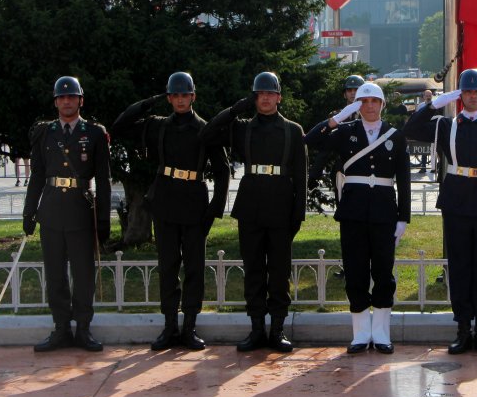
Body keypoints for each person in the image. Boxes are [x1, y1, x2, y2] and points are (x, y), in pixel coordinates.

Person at [110, 72, 229, 351]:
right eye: (174, 95)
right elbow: (120, 126)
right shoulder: (158, 126)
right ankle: (169, 327)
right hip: (164, 201)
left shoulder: (205, 128)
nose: (179, 100)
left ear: (193, 97)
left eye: (184, 95)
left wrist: (215, 210)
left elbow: (222, 171)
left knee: (194, 268)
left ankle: (189, 327)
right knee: (167, 267)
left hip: (194, 205)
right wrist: (150, 101)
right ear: (169, 98)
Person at [403, 68, 477, 355]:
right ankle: (463, 329)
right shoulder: (446, 126)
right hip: (457, 203)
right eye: (467, 92)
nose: (472, 96)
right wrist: (434, 104)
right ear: (460, 95)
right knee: (460, 266)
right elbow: (411, 128)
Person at [199, 72, 306, 353]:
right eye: (260, 94)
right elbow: (207, 133)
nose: (266, 98)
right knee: (254, 270)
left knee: (280, 270)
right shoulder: (243, 128)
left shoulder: (293, 130)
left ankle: (278, 329)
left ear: (279, 97)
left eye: (271, 93)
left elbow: (301, 176)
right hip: (251, 205)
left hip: (282, 204)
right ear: (254, 98)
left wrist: (298, 214)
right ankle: (257, 328)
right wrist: (236, 109)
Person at [304, 82, 410, 354]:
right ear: (357, 105)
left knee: (383, 273)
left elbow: (404, 180)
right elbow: (311, 139)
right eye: (364, 101)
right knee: (356, 272)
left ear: (382, 104)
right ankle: (361, 333)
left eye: (375, 101)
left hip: (385, 213)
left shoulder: (394, 136)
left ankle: (382, 333)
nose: (370, 106)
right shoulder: (345, 132)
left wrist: (403, 218)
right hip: (353, 213)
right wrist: (338, 117)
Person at [24, 76, 112, 352]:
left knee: (84, 274)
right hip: (50, 211)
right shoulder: (45, 132)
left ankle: (83, 329)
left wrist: (103, 218)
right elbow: (37, 175)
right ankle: (61, 328)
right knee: (55, 274)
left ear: (80, 101)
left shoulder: (95, 133)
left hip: (80, 210)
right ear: (55, 102)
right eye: (61, 98)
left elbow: (104, 179)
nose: (66, 101)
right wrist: (29, 211)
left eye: (71, 97)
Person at [308, 74, 363, 280]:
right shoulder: (338, 117)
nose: (353, 93)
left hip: (367, 176)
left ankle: (364, 265)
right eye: (349, 90)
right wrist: (314, 173)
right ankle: (348, 265)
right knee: (346, 221)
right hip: (343, 174)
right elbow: (324, 149)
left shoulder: (371, 114)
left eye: (356, 90)